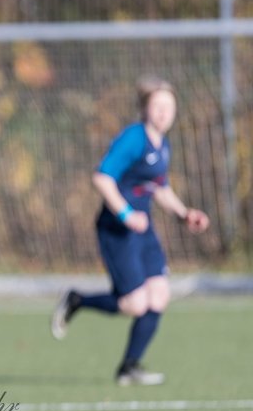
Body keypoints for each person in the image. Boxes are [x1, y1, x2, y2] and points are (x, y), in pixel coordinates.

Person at [50, 75, 210, 386]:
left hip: (143, 229)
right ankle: (77, 300)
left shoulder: (163, 144)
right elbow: (102, 178)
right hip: (116, 229)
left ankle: (129, 367)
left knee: (159, 296)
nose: (164, 113)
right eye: (158, 106)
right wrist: (125, 213)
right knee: (134, 304)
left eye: (169, 106)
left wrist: (184, 213)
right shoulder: (133, 139)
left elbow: (159, 188)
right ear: (144, 108)